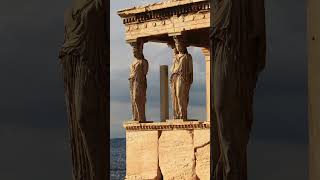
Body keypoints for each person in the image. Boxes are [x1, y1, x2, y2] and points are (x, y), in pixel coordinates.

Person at [170, 36, 193, 120]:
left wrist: (189, 81)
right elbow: (172, 68)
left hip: (182, 77)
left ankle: (183, 114)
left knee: (180, 95)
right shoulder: (175, 57)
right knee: (175, 96)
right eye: (177, 45)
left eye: (179, 45)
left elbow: (190, 70)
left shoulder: (187, 56)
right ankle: (177, 114)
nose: (178, 47)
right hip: (174, 77)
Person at [129, 41, 149, 121]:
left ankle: (141, 117)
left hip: (139, 81)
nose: (134, 53)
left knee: (138, 98)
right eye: (133, 51)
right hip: (132, 81)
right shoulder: (133, 62)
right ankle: (135, 116)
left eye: (136, 51)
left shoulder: (143, 62)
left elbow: (145, 72)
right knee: (133, 99)